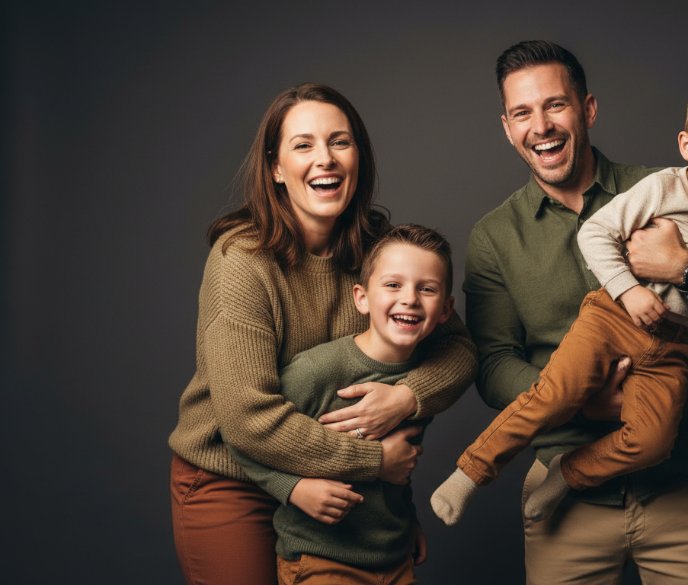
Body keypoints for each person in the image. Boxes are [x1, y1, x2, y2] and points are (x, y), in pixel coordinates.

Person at [448, 41, 688, 584]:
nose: (541, 125)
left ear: (587, 110)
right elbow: (493, 361)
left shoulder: (675, 187)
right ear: (507, 127)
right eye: (523, 112)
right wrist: (580, 399)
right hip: (565, 507)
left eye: (556, 105)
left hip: (683, 490)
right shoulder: (494, 237)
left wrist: (686, 268)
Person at [167, 84, 476, 585]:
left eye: (340, 142)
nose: (325, 160)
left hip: (338, 487)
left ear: (360, 158)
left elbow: (459, 350)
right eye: (303, 145)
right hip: (231, 475)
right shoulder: (241, 261)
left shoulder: (382, 254)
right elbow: (247, 420)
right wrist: (375, 460)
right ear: (275, 168)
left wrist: (404, 399)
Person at [228, 224, 458, 585]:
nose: (410, 299)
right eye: (393, 285)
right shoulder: (320, 370)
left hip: (394, 556)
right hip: (322, 557)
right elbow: (242, 440)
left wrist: (407, 519)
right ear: (361, 298)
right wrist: (294, 488)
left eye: (426, 289)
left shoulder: (422, 380)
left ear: (445, 310)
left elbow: (401, 465)